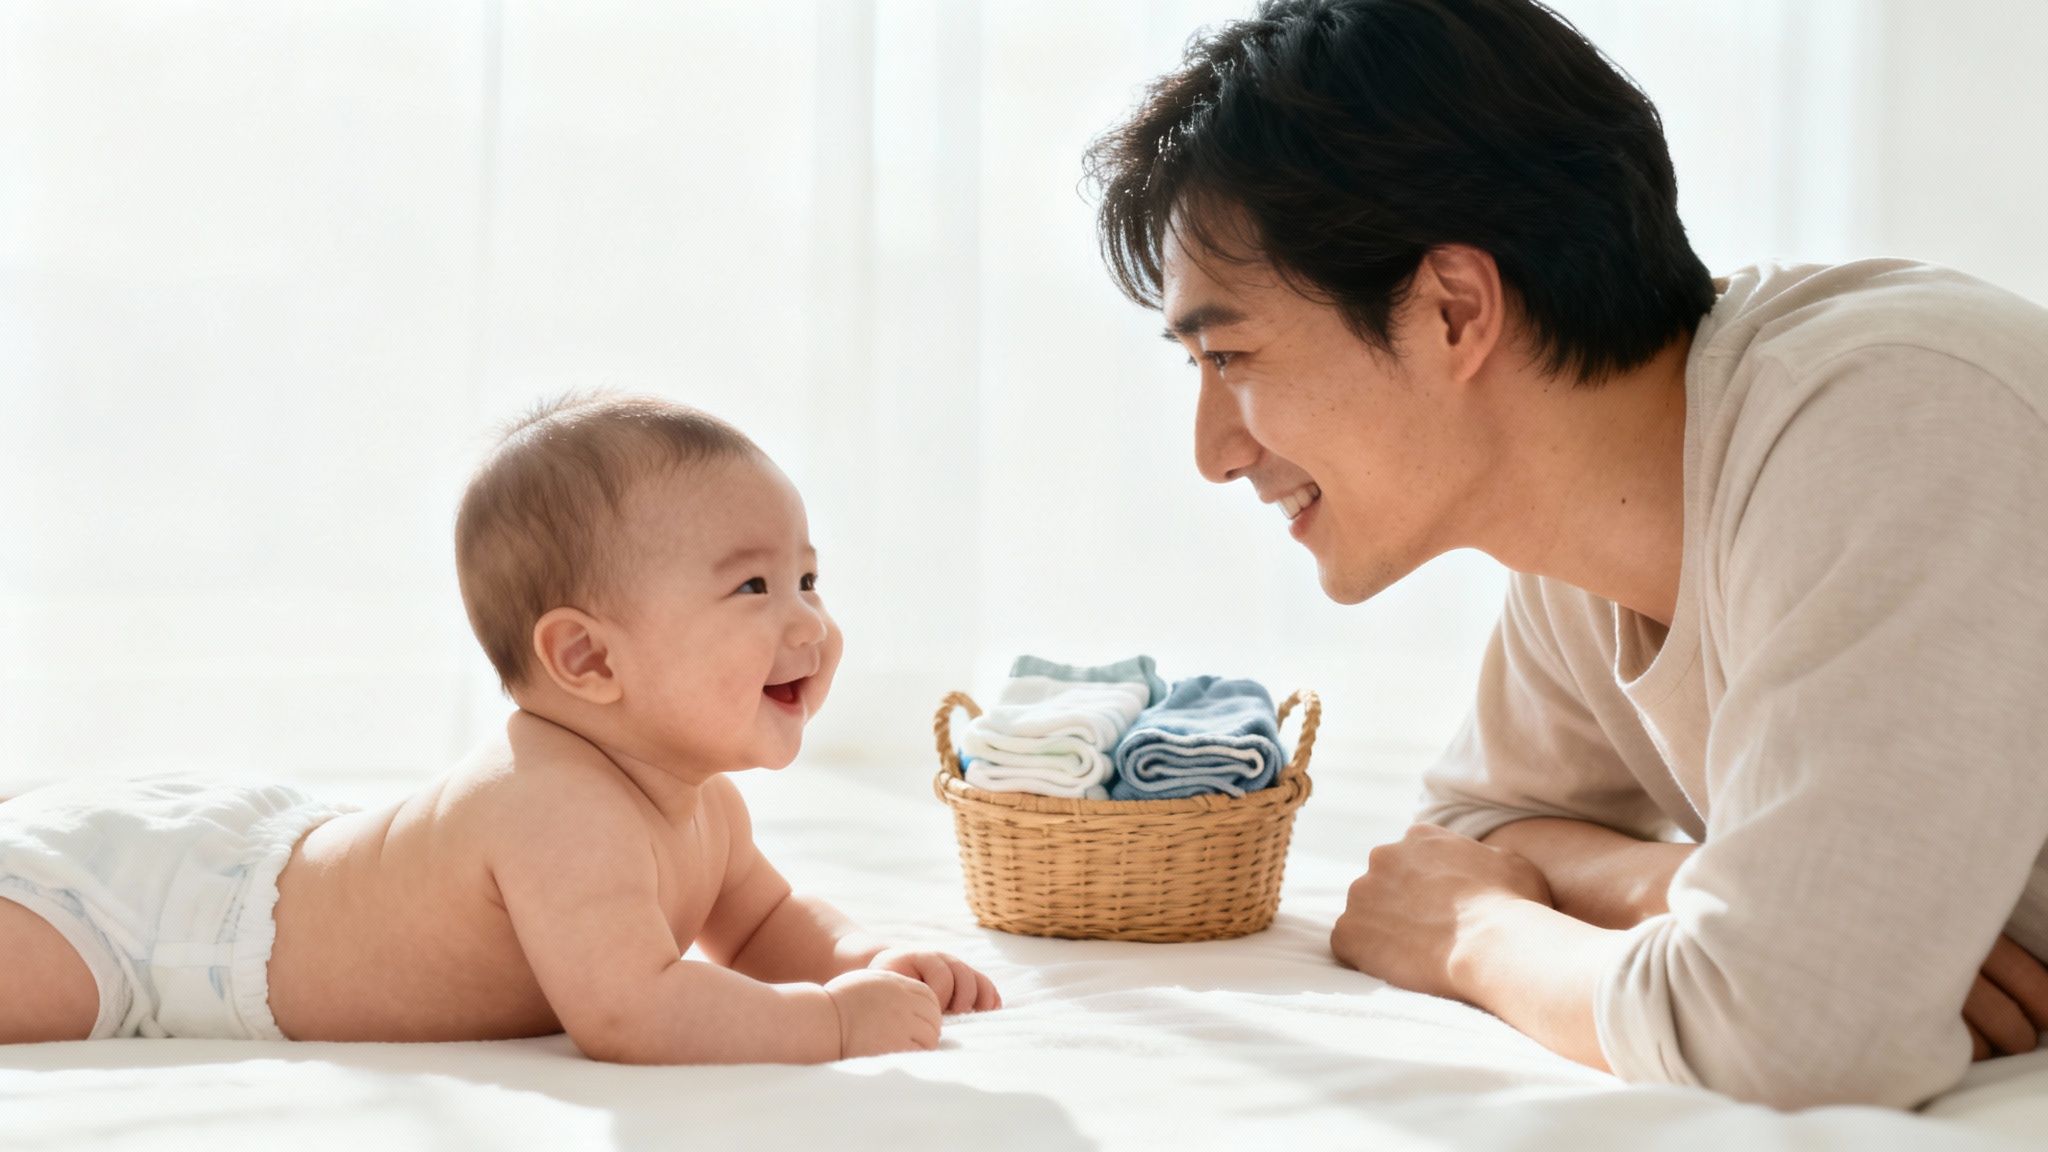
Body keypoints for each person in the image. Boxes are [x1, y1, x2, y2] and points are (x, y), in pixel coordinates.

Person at [1085, 0, 2048, 1109]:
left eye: (1230, 356)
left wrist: (1473, 933)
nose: (1213, 453)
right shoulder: (1582, 532)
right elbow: (1474, 830)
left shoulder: (1892, 422)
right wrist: (1684, 887)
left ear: (1453, 310)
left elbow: (1787, 1035)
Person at [0, 394, 999, 1061]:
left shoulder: (705, 809)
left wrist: (860, 960)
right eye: (753, 587)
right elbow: (633, 1010)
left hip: (257, 851)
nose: (808, 623)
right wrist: (827, 1024)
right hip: (164, 924)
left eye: (808, 579)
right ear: (588, 659)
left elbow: (765, 923)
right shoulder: (554, 805)